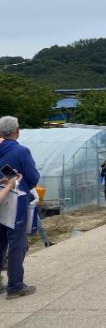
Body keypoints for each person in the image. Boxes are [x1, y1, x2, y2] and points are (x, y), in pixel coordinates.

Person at [0, 116, 39, 299]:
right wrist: (21, 183)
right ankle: (15, 285)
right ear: (17, 131)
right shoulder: (21, 151)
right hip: (16, 202)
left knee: (0, 242)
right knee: (17, 243)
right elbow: (33, 177)